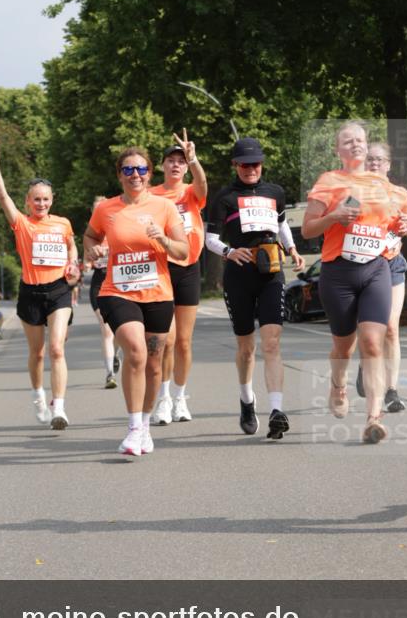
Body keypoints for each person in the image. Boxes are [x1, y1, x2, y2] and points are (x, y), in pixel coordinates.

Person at [302, 123, 404, 444]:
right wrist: (334, 217)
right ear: (339, 150)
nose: (357, 145)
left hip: (376, 269)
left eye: (360, 139)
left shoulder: (386, 187)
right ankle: (339, 384)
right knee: (343, 347)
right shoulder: (329, 182)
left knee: (373, 342)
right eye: (349, 141)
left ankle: (373, 416)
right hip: (338, 274)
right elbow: (307, 230)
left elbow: (404, 225)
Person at [83, 147, 188, 456]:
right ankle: (132, 428)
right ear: (119, 175)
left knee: (154, 366)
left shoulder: (164, 208)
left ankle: (144, 425)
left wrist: (163, 239)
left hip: (157, 293)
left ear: (149, 174)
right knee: (136, 351)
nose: (135, 175)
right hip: (117, 291)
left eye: (141, 170)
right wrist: (92, 250)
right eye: (128, 170)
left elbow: (183, 251)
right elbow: (89, 236)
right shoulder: (106, 209)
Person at [205, 137, 305, 440]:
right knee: (246, 348)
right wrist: (228, 252)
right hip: (239, 275)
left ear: (262, 165)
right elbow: (209, 238)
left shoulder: (275, 192)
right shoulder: (224, 197)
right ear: (235, 165)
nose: (251, 169)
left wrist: (291, 248)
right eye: (245, 164)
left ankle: (276, 411)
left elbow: (282, 223)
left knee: (272, 342)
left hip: (271, 272)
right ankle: (247, 400)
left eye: (256, 164)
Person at [0, 136, 80, 428]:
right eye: (36, 199)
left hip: (58, 291)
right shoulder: (22, 223)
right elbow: (3, 197)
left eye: (45, 199)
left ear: (52, 200)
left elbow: (71, 246)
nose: (41, 203)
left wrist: (73, 262)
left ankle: (60, 408)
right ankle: (38, 396)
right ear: (27, 202)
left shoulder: (62, 223)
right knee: (37, 353)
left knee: (57, 349)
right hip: (30, 292)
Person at [356, 142, 407, 412]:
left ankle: (391, 390)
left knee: (391, 328)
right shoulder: (354, 191)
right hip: (363, 266)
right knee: (371, 330)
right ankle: (365, 362)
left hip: (392, 265)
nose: (374, 164)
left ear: (389, 165)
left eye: (380, 160)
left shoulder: (400, 194)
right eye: (370, 160)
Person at [151, 130, 208, 425]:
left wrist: (194, 158)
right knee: (166, 340)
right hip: (160, 270)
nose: (175, 165)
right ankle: (163, 399)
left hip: (188, 267)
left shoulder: (189, 193)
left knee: (184, 341)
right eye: (170, 160)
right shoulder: (151, 195)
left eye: (180, 161)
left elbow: (202, 185)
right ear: (162, 166)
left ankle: (180, 397)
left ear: (185, 167)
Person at [86, 196, 120, 389]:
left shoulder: (118, 231)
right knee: (107, 331)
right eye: (96, 210)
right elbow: (87, 262)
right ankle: (109, 374)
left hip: (120, 284)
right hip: (99, 285)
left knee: (121, 332)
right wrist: (87, 263)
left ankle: (115, 355)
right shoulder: (90, 236)